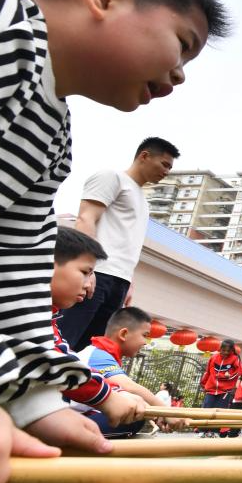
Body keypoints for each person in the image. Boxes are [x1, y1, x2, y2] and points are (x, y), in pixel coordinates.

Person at [0, 0, 228, 483]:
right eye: (181, 42)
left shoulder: (51, 134)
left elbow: (8, 272)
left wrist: (39, 403)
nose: (180, 74)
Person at [58, 137, 180, 352]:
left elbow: (128, 242)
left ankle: (73, 385)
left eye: (170, 167)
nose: (166, 172)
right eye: (164, 164)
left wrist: (129, 280)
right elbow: (86, 219)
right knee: (67, 336)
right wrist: (87, 270)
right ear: (144, 156)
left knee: (91, 347)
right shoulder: (112, 177)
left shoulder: (142, 201)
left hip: (119, 281)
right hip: (99, 274)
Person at [50, 226, 145, 429]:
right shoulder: (99, 354)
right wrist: (111, 396)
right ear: (124, 333)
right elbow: (52, 360)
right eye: (85, 272)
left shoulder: (50, 319)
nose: (88, 284)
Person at [74, 307, 188, 438]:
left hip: (76, 416)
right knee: (134, 417)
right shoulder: (98, 355)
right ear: (123, 334)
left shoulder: (102, 353)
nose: (145, 343)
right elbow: (130, 387)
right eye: (144, 335)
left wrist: (158, 415)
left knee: (134, 411)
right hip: (64, 419)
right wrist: (167, 412)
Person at [199, 339, 242, 435]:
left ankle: (214, 431)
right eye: (224, 350)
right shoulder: (214, 357)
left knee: (219, 411)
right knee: (206, 408)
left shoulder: (235, 359)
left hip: (225, 391)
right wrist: (203, 384)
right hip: (211, 389)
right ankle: (202, 431)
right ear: (220, 349)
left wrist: (226, 377)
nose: (226, 353)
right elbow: (208, 372)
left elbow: (238, 373)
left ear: (232, 350)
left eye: (228, 351)